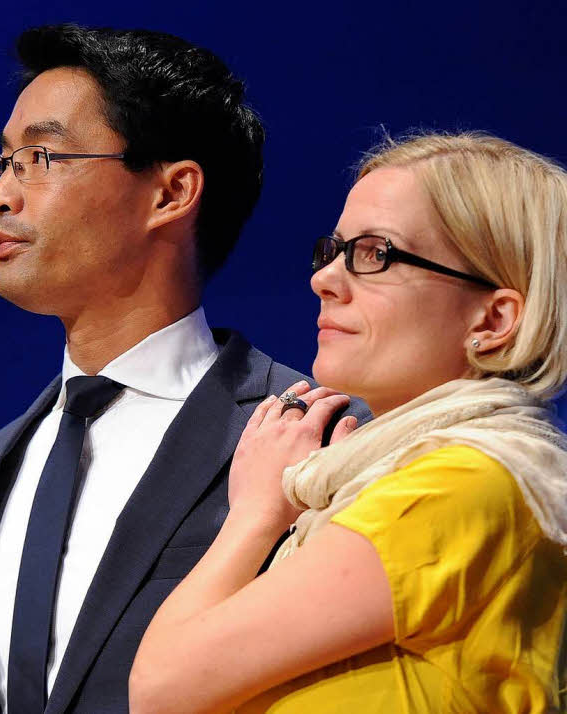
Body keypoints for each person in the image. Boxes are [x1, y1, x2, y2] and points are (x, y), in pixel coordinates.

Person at [0, 24, 369, 714]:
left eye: (40, 158)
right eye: (5, 162)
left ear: (171, 193)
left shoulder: (321, 436)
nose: (1, 196)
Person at [130, 132, 567, 713]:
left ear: (493, 318)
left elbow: (161, 688)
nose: (324, 280)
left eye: (376, 254)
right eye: (334, 250)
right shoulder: (388, 484)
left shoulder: (463, 484)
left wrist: (256, 514)